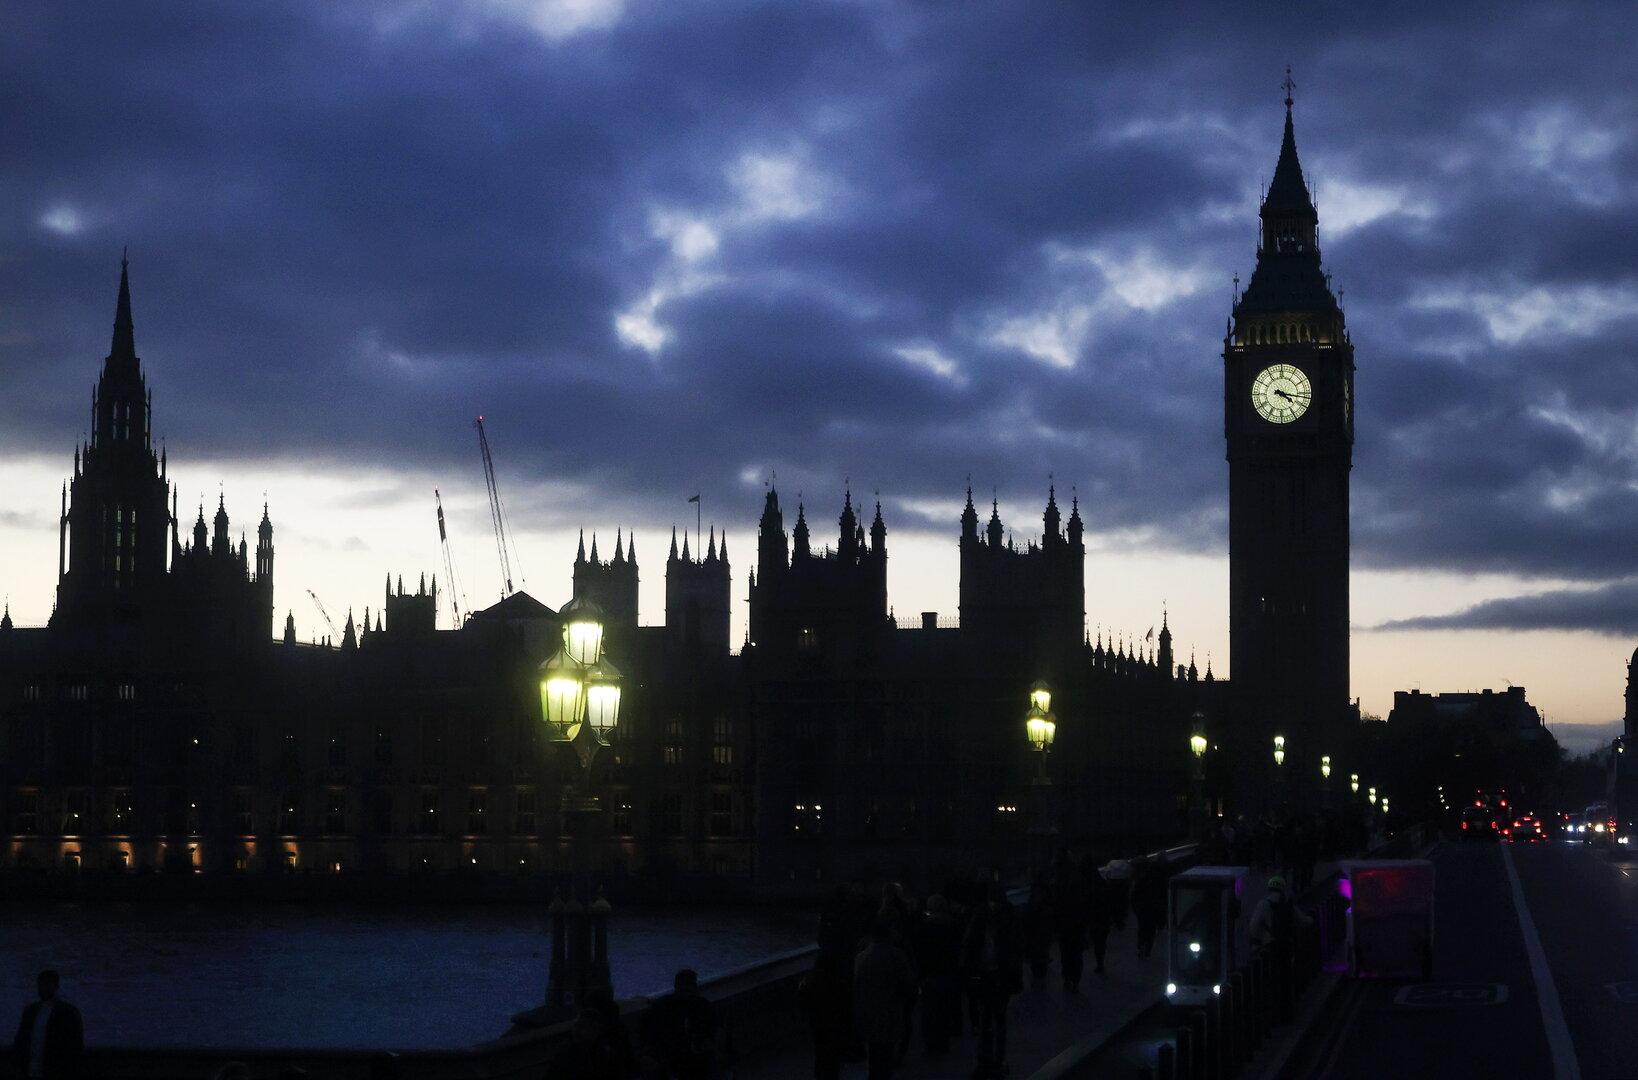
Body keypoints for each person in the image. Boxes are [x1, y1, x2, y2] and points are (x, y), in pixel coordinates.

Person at [962, 883, 1022, 1080]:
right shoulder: (1008, 919)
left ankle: (988, 1062)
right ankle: (992, 1062)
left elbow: (969, 947)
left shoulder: (980, 918)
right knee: (994, 1020)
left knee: (989, 1019)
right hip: (996, 975)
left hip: (990, 975)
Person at [853, 921, 918, 1080]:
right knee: (887, 1051)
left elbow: (856, 986)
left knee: (873, 1051)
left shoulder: (861, 957)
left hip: (868, 1010)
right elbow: (908, 984)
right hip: (890, 1009)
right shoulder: (897, 955)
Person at [1248, 876, 1312, 1021]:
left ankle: (1273, 1013)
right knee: (1286, 978)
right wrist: (1311, 920)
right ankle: (1287, 1012)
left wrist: (1257, 941)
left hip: (1270, 947)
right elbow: (1304, 921)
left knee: (1271, 980)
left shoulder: (1264, 904)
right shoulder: (1288, 904)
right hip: (1286, 945)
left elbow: (1253, 928)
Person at [543, 989, 639, 1080]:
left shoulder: (613, 1044)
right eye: (578, 1026)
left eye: (584, 1026)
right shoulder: (569, 1052)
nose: (577, 1030)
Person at [641, 969, 718, 1079]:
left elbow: (712, 1028)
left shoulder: (703, 1006)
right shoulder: (662, 1006)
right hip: (672, 1053)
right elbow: (649, 1032)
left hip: (695, 1052)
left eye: (689, 985)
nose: (686, 989)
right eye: (684, 985)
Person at [914, 894, 962, 1057]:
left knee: (929, 1012)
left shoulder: (924, 929)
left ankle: (931, 1045)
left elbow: (919, 953)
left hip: (929, 974)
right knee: (944, 1011)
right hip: (947, 973)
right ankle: (943, 1043)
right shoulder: (952, 926)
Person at [12, 970, 82, 1080]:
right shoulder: (30, 1011)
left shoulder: (67, 1012)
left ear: (56, 986)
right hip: (34, 1069)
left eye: (46, 984)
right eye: (40, 985)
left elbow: (74, 1045)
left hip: (51, 1070)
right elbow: (21, 1039)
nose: (42, 988)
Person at [799, 951, 854, 1080]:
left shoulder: (809, 980)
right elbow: (846, 1003)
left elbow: (803, 1000)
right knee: (833, 1058)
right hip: (834, 1025)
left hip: (817, 1025)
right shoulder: (838, 982)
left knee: (820, 1054)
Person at [1052, 854, 1088, 992]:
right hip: (1076, 924)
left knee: (1066, 954)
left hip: (1065, 924)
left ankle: (1068, 978)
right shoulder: (1078, 882)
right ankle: (1075, 980)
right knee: (1075, 954)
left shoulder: (1058, 885)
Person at [1131, 859, 1167, 960]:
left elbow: (1134, 895)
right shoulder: (1160, 882)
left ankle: (1140, 946)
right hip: (1154, 908)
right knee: (1151, 930)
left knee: (1142, 928)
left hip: (1142, 908)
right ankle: (1147, 950)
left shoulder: (1141, 880)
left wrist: (1135, 908)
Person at [1085, 859, 1113, 976]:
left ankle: (1099, 962)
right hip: (1104, 917)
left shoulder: (1087, 885)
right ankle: (1100, 962)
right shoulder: (1103, 883)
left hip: (1095, 917)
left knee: (1097, 940)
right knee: (1101, 941)